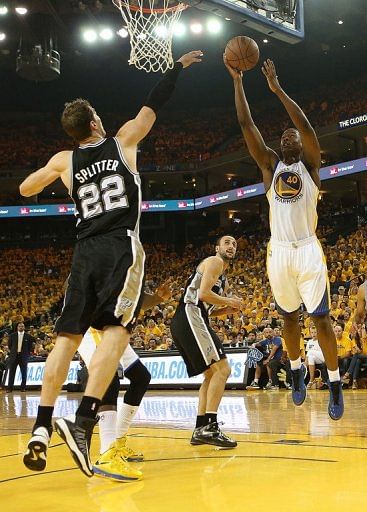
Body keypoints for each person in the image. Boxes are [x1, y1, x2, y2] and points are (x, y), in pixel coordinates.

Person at [21, 50, 202, 477]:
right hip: (120, 246)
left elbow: (28, 189)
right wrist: (177, 68)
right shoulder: (122, 142)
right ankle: (83, 423)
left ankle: (41, 428)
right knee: (117, 334)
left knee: (66, 340)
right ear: (96, 122)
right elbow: (152, 106)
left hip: (82, 252)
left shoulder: (65, 161)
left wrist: (54, 175)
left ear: (72, 132)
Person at [224, 56, 343, 420]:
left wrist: (276, 90)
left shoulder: (310, 166)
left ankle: (335, 383)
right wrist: (238, 82)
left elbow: (305, 125)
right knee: (288, 320)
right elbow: (245, 123)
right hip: (278, 252)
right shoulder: (270, 166)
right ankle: (295, 371)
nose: (288, 136)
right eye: (283, 136)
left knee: (320, 319)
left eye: (291, 136)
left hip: (307, 248)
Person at [77, 282, 171, 482]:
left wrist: (156, 298)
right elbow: (77, 285)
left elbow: (133, 300)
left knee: (141, 377)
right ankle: (106, 453)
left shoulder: (131, 260)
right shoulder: (99, 256)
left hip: (114, 329)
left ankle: (119, 441)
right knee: (107, 376)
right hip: (93, 326)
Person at [171, 235, 243, 448]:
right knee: (223, 370)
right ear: (217, 248)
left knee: (211, 374)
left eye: (234, 244)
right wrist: (229, 300)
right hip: (189, 314)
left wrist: (225, 309)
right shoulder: (215, 261)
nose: (231, 246)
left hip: (190, 317)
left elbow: (206, 307)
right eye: (227, 243)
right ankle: (210, 427)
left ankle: (200, 428)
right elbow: (202, 295)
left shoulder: (223, 277)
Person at [6, 323, 35, 392]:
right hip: (14, 356)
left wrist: (27, 353)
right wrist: (13, 352)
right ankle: (10, 388)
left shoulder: (28, 336)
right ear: (17, 327)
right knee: (12, 372)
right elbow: (10, 346)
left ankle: (23, 388)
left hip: (23, 356)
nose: (21, 327)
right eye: (20, 326)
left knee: (24, 373)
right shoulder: (12, 336)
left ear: (24, 327)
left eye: (22, 326)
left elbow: (31, 346)